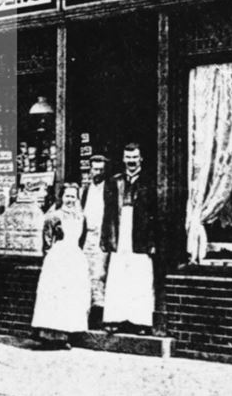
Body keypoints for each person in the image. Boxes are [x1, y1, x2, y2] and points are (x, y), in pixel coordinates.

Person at [102, 143, 157, 334]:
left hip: (140, 234)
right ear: (123, 159)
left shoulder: (150, 181)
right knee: (117, 275)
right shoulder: (114, 181)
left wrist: (152, 241)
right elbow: (108, 212)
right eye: (128, 157)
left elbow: (155, 214)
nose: (131, 161)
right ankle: (114, 318)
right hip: (119, 231)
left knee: (140, 276)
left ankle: (140, 321)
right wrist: (107, 237)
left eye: (135, 157)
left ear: (141, 158)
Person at [30, 183, 91, 348]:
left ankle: (66, 336)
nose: (70, 200)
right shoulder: (54, 216)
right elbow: (47, 240)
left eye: (73, 196)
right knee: (54, 294)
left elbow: (82, 239)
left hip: (74, 257)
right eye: (67, 196)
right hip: (58, 258)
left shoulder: (81, 217)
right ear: (62, 197)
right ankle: (50, 336)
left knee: (70, 295)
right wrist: (52, 257)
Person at [80, 154, 116, 329]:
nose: (97, 173)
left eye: (101, 169)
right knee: (85, 274)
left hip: (102, 237)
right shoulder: (86, 190)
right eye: (95, 169)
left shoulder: (109, 188)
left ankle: (100, 315)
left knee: (99, 275)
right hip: (87, 237)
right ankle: (85, 314)